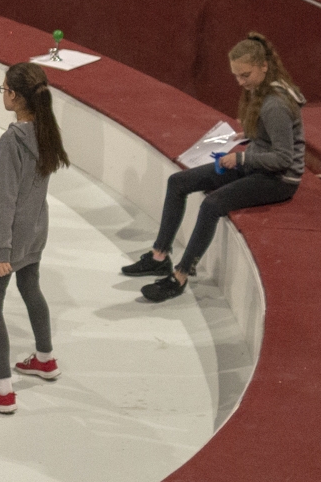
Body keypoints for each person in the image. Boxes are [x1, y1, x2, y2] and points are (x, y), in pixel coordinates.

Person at [123, 33, 306, 302]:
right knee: (178, 182)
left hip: (278, 179)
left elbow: (283, 159)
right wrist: (248, 137)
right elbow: (268, 141)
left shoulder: (274, 104)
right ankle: (159, 255)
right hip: (259, 164)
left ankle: (181, 274)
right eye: (236, 76)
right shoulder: (261, 90)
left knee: (212, 204)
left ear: (263, 66)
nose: (240, 82)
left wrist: (241, 158)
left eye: (245, 75)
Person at [0, 62, 69, 414]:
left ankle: (3, 390)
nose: (2, 95)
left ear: (14, 95)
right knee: (31, 288)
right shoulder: (46, 130)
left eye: (3, 89)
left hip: (8, 237)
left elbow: (5, 198)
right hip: (35, 231)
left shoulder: (12, 140)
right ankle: (45, 357)